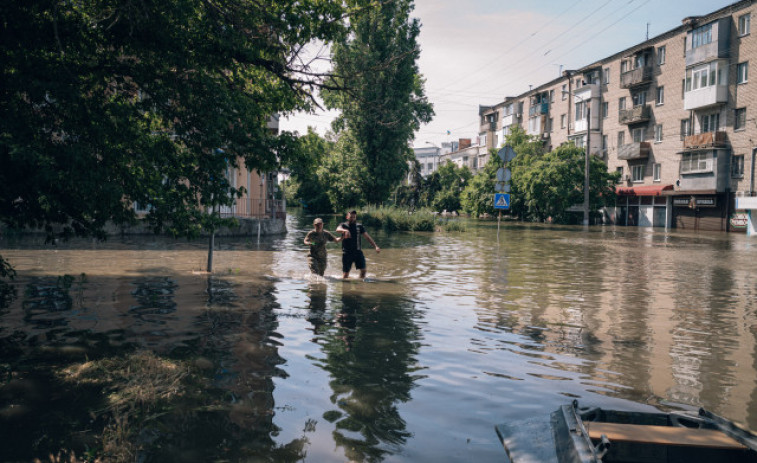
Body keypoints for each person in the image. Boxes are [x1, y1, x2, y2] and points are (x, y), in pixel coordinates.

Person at [336, 210, 380, 279]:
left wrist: (375, 246)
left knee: (363, 271)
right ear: (347, 217)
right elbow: (338, 229)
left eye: (354, 217)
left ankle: (360, 285)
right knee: (346, 274)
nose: (352, 218)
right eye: (351, 217)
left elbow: (367, 237)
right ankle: (345, 287)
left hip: (358, 251)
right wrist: (345, 230)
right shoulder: (343, 225)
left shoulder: (359, 226)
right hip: (347, 253)